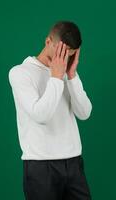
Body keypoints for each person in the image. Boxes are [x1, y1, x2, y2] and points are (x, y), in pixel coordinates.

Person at [8, 20, 92, 200]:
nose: (63, 59)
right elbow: (41, 115)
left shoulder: (67, 73)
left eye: (69, 54)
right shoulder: (20, 73)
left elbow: (84, 113)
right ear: (48, 42)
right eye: (61, 51)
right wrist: (55, 77)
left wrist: (71, 76)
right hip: (41, 166)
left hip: (73, 162)